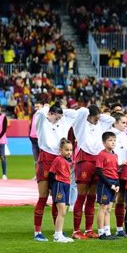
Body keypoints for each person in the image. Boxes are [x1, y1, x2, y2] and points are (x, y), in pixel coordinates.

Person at [33, 104, 78, 242]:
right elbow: (39, 112)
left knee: (57, 199)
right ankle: (37, 232)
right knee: (43, 196)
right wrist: (47, 109)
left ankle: (57, 231)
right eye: (56, 117)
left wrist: (61, 110)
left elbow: (77, 113)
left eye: (60, 117)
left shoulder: (63, 120)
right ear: (50, 113)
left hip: (59, 159)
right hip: (45, 159)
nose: (59, 120)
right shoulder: (42, 121)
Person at [71, 105, 116, 240]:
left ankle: (89, 229)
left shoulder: (100, 125)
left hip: (97, 162)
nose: (98, 120)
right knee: (81, 196)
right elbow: (82, 111)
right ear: (89, 116)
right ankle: (76, 230)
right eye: (95, 118)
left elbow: (111, 119)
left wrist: (98, 115)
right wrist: (91, 113)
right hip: (84, 161)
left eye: (98, 118)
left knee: (91, 197)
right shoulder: (80, 125)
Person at [110, 112, 127, 237]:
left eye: (126, 123)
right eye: (123, 122)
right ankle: (106, 229)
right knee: (109, 201)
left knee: (122, 199)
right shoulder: (111, 135)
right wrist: (119, 162)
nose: (125, 125)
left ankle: (120, 228)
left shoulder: (125, 136)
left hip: (125, 171)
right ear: (115, 123)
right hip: (113, 171)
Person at [49, 139, 74, 243]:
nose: (69, 152)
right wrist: (51, 188)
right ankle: (57, 235)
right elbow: (51, 174)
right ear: (61, 150)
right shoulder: (58, 160)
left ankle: (59, 234)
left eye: (71, 150)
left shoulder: (69, 161)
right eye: (66, 150)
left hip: (66, 185)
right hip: (59, 184)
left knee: (63, 212)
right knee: (62, 211)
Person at [95, 132, 120, 240]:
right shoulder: (101, 155)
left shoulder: (115, 155)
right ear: (104, 143)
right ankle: (101, 233)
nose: (113, 142)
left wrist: (117, 183)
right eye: (110, 140)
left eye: (114, 140)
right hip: (105, 184)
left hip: (113, 183)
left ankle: (108, 232)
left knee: (109, 208)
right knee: (103, 207)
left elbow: (116, 170)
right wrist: (109, 184)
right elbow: (99, 172)